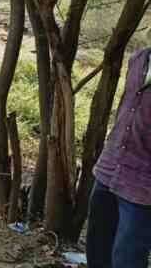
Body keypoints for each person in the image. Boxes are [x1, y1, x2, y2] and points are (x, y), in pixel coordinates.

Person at [86, 44, 151, 268]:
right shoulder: (139, 59)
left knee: (127, 255)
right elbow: (126, 106)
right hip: (110, 167)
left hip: (143, 185)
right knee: (97, 243)